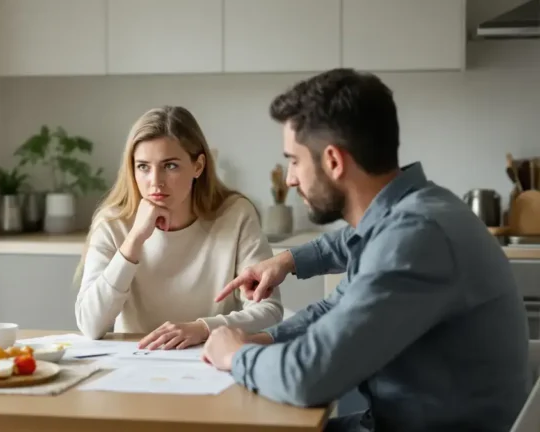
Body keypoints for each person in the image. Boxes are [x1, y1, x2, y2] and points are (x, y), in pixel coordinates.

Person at [202, 69, 530, 432]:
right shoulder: (412, 210)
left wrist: (236, 355)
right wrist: (263, 335)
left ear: (333, 162)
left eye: (294, 161)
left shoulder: (416, 236)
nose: (291, 178)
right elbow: (338, 303)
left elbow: (307, 378)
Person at [75, 105, 284, 350]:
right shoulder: (113, 223)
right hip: (134, 362)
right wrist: (134, 241)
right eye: (143, 166)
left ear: (198, 166)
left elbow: (269, 309)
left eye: (170, 165)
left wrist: (203, 328)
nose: (155, 182)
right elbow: (90, 324)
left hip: (208, 359)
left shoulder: (235, 215)